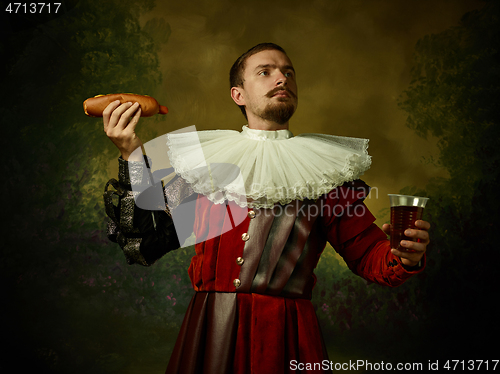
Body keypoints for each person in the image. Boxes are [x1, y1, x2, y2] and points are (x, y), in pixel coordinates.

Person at [102, 43, 430, 374]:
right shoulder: (205, 165)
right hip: (208, 331)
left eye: (288, 73)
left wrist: (403, 256)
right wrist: (131, 151)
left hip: (286, 336)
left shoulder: (327, 171)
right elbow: (145, 239)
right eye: (265, 72)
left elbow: (369, 253)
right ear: (238, 94)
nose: (282, 79)